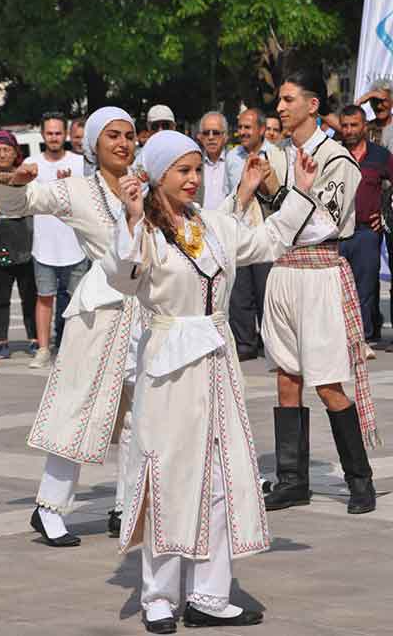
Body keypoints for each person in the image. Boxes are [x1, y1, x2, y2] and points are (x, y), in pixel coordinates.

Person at [100, 129, 319, 633]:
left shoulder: (214, 224)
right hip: (169, 367)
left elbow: (266, 240)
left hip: (218, 366)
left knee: (220, 477)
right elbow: (124, 276)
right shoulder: (145, 233)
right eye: (183, 170)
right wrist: (132, 218)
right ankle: (158, 596)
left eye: (198, 169)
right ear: (157, 176)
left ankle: (209, 595)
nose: (194, 179)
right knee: (167, 477)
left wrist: (299, 193)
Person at [0, 107, 142, 545]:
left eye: (129, 136)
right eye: (112, 136)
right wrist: (16, 182)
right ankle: (49, 507)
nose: (122, 143)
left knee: (141, 416)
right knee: (77, 407)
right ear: (93, 144)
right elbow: (23, 203)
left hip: (145, 311)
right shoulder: (76, 189)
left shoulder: (146, 187)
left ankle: (127, 504)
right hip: (98, 311)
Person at [259, 69, 379, 516]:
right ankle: (292, 479)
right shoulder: (277, 155)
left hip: (319, 269)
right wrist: (272, 192)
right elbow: (266, 219)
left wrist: (281, 202)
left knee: (327, 380)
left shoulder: (337, 160)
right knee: (286, 377)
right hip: (284, 270)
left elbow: (320, 224)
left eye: (288, 99)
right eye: (279, 100)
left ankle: (359, 479)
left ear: (312, 105)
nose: (280, 108)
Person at [24, 112, 88, 368]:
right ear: (43, 135)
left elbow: (86, 200)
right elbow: (26, 199)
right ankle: (42, 349)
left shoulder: (80, 163)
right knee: (45, 297)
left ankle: (75, 349)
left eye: (58, 133)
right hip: (44, 245)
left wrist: (69, 185)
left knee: (77, 299)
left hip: (75, 244)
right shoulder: (32, 163)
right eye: (49, 133)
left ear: (66, 135)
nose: (54, 137)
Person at [0, 130, 37, 359]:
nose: (2, 154)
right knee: (0, 295)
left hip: (25, 238)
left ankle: (34, 339)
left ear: (15, 152)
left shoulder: (26, 176)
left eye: (7, 149)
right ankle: (2, 341)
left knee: (29, 293)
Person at [339, 105, 393, 357]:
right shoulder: (334, 153)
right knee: (337, 289)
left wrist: (384, 214)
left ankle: (364, 337)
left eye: (354, 125)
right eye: (345, 125)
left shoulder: (380, 156)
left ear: (364, 127)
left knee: (366, 287)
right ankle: (343, 337)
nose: (349, 130)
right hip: (337, 233)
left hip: (366, 233)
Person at [224, 108, 279, 361]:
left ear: (261, 129)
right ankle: (244, 343)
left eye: (248, 127)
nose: (243, 132)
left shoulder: (277, 154)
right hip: (239, 229)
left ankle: (272, 344)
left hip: (265, 231)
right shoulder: (232, 157)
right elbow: (229, 193)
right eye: (241, 127)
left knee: (266, 291)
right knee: (240, 291)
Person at [195, 111, 228, 209]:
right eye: (206, 133)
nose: (210, 137)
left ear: (225, 137)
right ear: (200, 137)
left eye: (216, 133)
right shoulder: (195, 163)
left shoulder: (234, 162)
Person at [355, 79, 393, 147]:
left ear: (392, 102)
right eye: (375, 101)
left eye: (383, 101)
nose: (379, 106)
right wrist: (360, 101)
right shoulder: (366, 128)